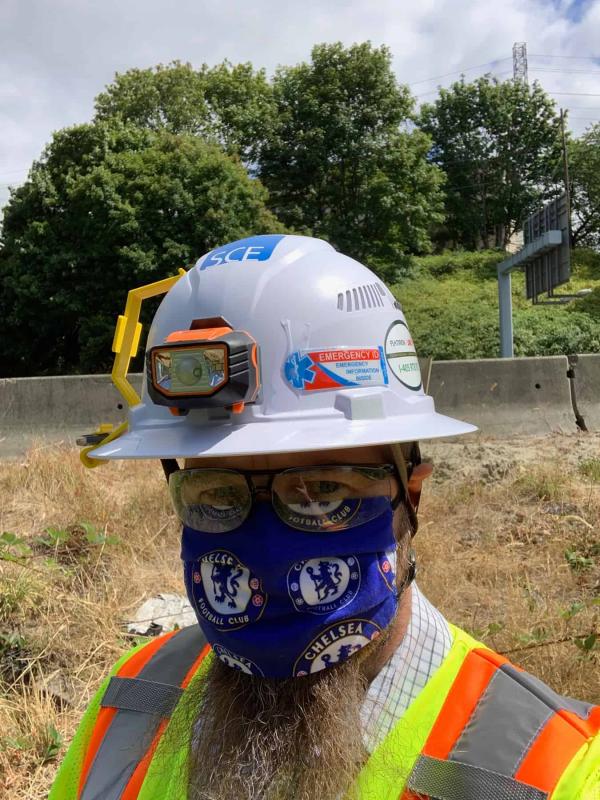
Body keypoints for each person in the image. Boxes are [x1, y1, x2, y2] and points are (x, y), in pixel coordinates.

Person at [50, 235, 599, 800]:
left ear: (412, 498)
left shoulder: (548, 772)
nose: (263, 549)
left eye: (324, 492)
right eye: (216, 493)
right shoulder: (132, 699)